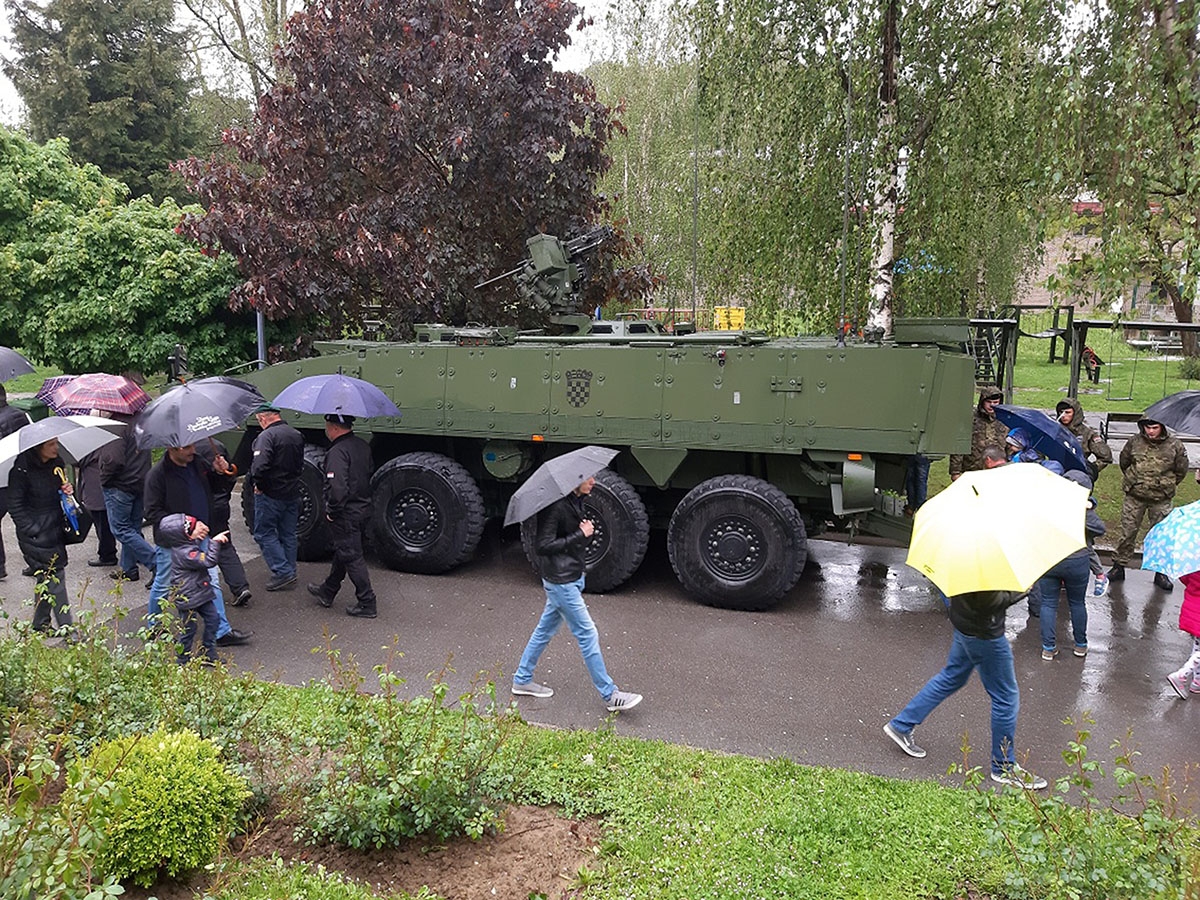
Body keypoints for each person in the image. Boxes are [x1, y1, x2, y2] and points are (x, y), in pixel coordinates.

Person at [883, 587, 1046, 790]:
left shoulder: (968, 568)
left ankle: (901, 725)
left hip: (965, 624)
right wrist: (1022, 591)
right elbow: (990, 602)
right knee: (1006, 698)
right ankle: (1004, 767)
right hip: (985, 633)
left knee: (951, 677)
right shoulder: (986, 571)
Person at [511, 474, 643, 712]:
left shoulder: (575, 501)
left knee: (544, 630)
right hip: (561, 582)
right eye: (588, 478)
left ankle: (522, 679)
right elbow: (542, 545)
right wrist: (580, 534)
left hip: (570, 578)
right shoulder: (555, 506)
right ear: (574, 480)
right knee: (587, 633)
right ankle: (610, 695)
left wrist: (581, 533)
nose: (593, 481)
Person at [144, 443, 252, 647]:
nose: (193, 450)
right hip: (173, 542)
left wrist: (221, 472)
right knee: (164, 583)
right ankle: (154, 627)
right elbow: (152, 512)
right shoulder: (157, 475)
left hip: (202, 535)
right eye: (187, 448)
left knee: (211, 581)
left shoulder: (197, 463)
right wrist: (187, 526)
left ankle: (221, 631)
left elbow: (217, 488)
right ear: (173, 449)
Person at [1107, 416, 1189, 591]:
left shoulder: (1175, 445)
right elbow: (1124, 462)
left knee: (1161, 535)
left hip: (1161, 498)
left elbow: (1181, 470)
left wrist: (1165, 485)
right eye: (1147, 428)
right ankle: (1118, 566)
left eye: (1154, 428)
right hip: (1135, 496)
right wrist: (1136, 480)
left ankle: (1161, 572)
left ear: (1162, 427)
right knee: (1128, 532)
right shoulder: (1134, 442)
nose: (1150, 431)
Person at [307, 414, 376, 617]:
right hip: (362, 508)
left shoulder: (337, 452)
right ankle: (328, 590)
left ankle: (367, 602)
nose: (326, 431)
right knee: (344, 550)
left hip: (346, 513)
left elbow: (338, 488)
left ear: (334, 428)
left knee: (352, 557)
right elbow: (368, 473)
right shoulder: (362, 445)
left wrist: (332, 511)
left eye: (327, 427)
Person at [9, 436, 76, 635]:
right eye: (51, 444)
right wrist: (31, 529)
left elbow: (60, 494)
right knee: (55, 575)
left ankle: (40, 624)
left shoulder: (57, 465)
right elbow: (15, 505)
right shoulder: (21, 471)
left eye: (56, 443)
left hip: (54, 528)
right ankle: (68, 629)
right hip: (35, 534)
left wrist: (66, 490)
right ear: (38, 448)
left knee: (46, 578)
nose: (56, 448)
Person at [1036, 469, 1105, 660]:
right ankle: (1080, 645)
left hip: (1050, 560)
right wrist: (1087, 507)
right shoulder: (1082, 509)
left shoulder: (1048, 504)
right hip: (1077, 561)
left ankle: (1048, 648)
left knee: (1048, 603)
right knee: (1077, 603)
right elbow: (1099, 529)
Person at [1056, 398, 1114, 596]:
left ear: (1076, 413)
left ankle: (1096, 573)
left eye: (1068, 412)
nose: (1064, 416)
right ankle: (1061, 572)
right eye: (1061, 412)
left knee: (1080, 532)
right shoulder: (1055, 430)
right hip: (1058, 484)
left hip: (1079, 485)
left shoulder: (1087, 433)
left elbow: (1106, 456)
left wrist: (1090, 470)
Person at [249, 402, 304, 592]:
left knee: (263, 533)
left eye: (259, 420)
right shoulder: (296, 434)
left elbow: (259, 466)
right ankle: (290, 570)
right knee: (288, 534)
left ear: (263, 418)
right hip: (291, 492)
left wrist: (259, 485)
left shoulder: (267, 436)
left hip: (270, 494)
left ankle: (282, 572)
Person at [157, 512, 223, 665]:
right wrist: (215, 542)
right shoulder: (187, 553)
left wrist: (199, 536)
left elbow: (194, 546)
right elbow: (208, 561)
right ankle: (182, 659)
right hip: (189, 598)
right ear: (185, 536)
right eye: (194, 529)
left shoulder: (185, 546)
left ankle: (207, 651)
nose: (198, 529)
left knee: (213, 619)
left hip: (199, 593)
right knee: (189, 629)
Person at [98, 412, 155, 584]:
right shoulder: (141, 420)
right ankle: (129, 568)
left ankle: (157, 563)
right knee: (133, 528)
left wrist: (104, 479)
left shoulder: (116, 426)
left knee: (121, 529)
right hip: (140, 481)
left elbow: (113, 459)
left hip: (120, 485)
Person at [195, 439, 252, 607]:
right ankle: (240, 587)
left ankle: (202, 591)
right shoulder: (217, 446)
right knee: (225, 546)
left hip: (201, 506)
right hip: (220, 504)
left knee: (197, 548)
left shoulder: (189, 452)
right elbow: (230, 476)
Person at [0, 384, 30, 578]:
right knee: (24, 520)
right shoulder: (20, 414)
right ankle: (35, 561)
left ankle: (0, 567)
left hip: (2, 478)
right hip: (23, 472)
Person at [948, 386, 1009, 481]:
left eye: (995, 402)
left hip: (997, 471)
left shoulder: (1005, 420)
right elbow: (959, 444)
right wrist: (955, 471)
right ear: (982, 402)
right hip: (972, 469)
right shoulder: (970, 419)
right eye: (988, 402)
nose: (992, 405)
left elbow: (1009, 446)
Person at [1166, 571, 1200, 699]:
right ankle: (1182, 675)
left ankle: (1197, 682)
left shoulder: (1193, 564)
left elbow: (1185, 578)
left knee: (1197, 647)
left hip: (1193, 610)